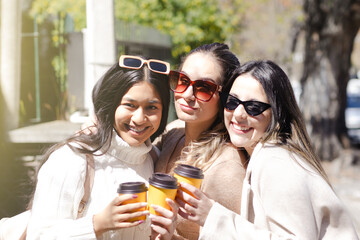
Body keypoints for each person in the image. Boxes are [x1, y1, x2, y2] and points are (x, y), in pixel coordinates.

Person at [177, 60, 359, 239]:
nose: (238, 113)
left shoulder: (275, 162)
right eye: (232, 102)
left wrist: (213, 217)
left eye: (254, 107)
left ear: (278, 113)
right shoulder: (267, 155)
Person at [26, 55, 178, 240]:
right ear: (111, 104)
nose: (139, 118)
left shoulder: (156, 161)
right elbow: (38, 235)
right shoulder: (73, 159)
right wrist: (99, 223)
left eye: (151, 107)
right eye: (130, 105)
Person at [153, 43, 247, 239]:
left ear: (224, 97)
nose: (187, 95)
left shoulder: (226, 167)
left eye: (204, 88)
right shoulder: (173, 134)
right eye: (182, 80)